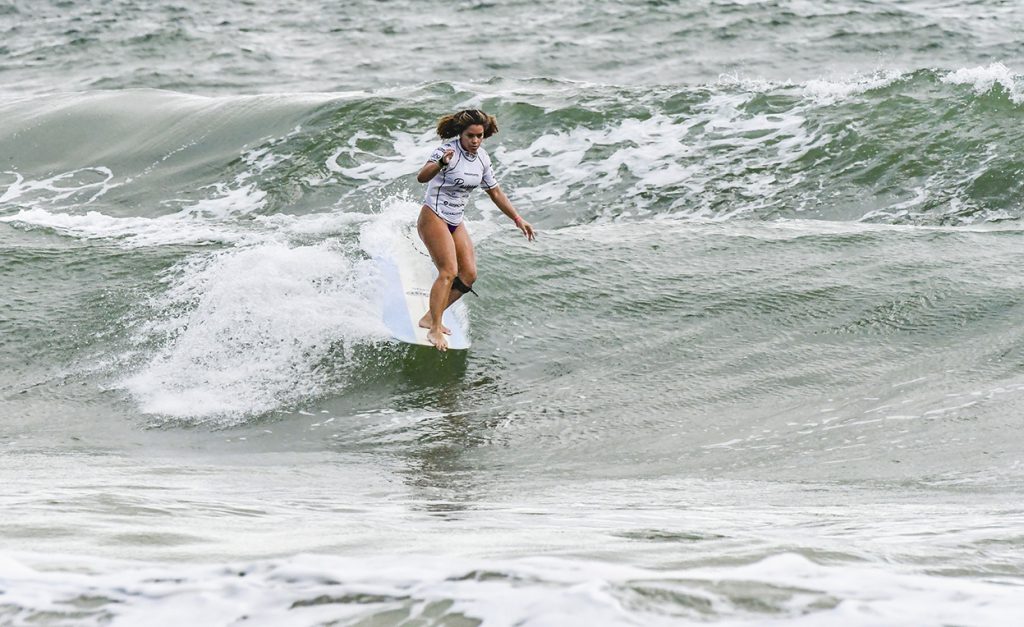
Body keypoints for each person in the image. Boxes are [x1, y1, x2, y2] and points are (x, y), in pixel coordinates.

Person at [415, 108, 535, 352]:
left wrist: (517, 218)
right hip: (434, 216)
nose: (475, 141)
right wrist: (440, 163)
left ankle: (430, 316)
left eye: (480, 136)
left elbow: (495, 192)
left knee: (468, 275)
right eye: (470, 136)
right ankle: (434, 328)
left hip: (455, 220)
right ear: (461, 133)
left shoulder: (482, 158)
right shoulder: (446, 151)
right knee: (449, 271)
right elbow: (422, 177)